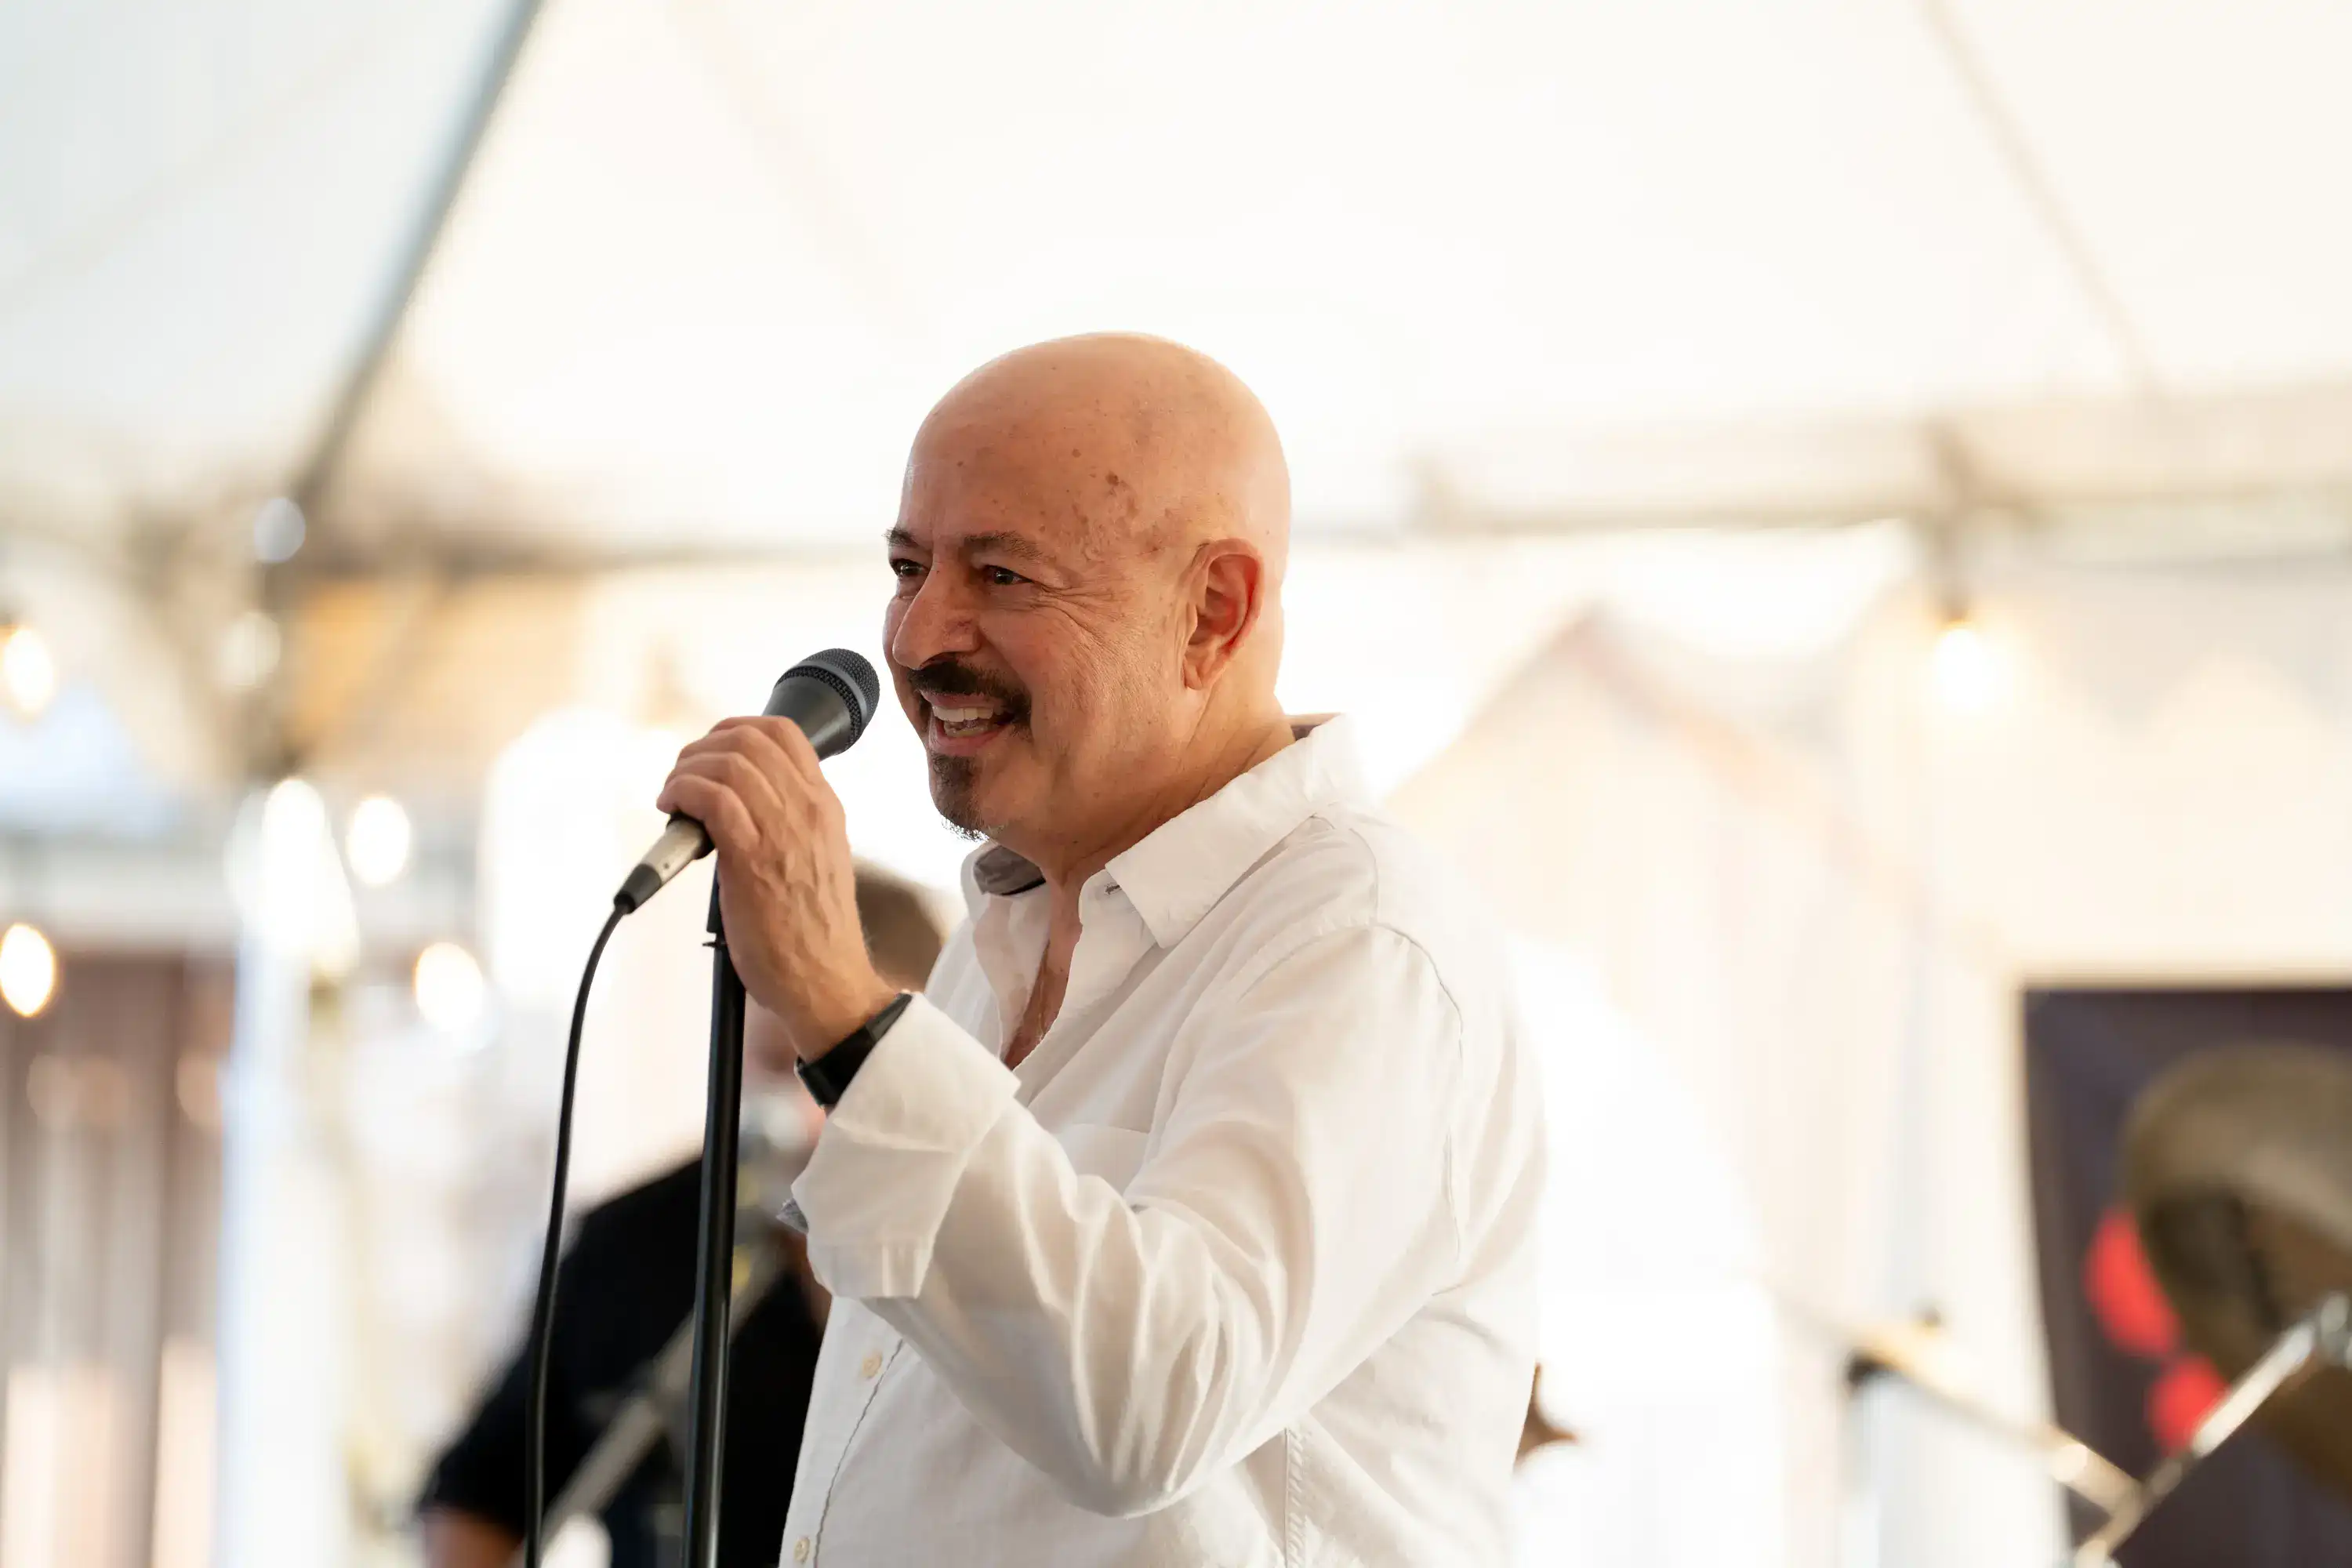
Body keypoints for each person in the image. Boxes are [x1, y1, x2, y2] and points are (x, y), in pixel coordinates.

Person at [656, 333, 1544, 1565]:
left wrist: (839, 1008)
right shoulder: (1003, 936)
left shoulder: (1358, 940)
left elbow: (1153, 1404)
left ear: (1212, 612)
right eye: (909, 567)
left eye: (1004, 576)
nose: (918, 638)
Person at [416, 870, 945, 1568]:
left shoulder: (986, 1233)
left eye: (839, 1068)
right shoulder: (631, 1243)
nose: (804, 1109)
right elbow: (477, 1496)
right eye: (774, 1064)